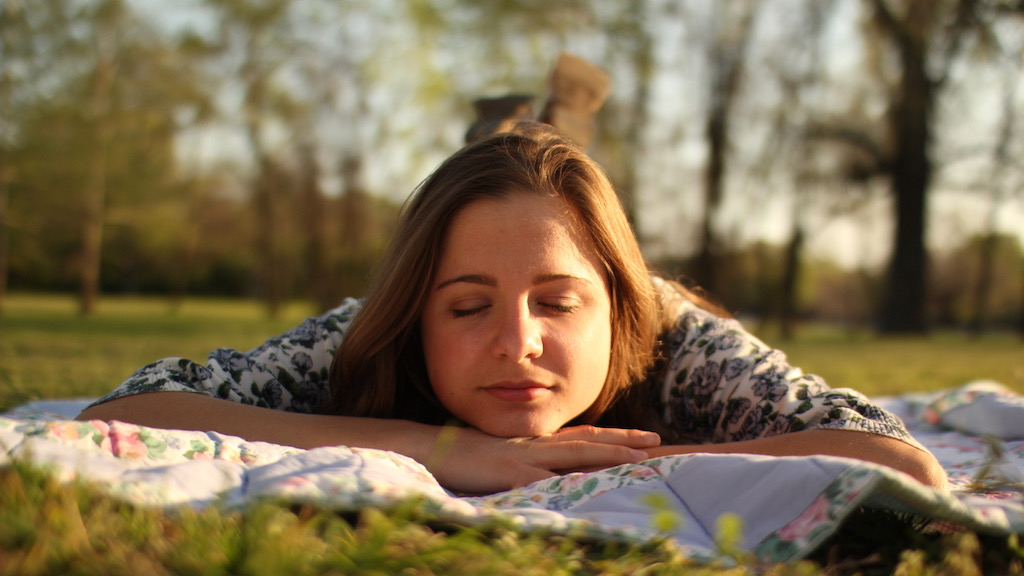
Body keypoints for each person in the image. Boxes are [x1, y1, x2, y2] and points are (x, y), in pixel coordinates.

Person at [78, 122, 949, 495]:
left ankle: (539, 121)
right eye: (467, 308)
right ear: (419, 315)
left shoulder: (671, 332)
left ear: (613, 304)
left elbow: (899, 463)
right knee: (507, 152)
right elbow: (129, 412)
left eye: (558, 302)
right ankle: (513, 121)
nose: (516, 342)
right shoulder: (370, 332)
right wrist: (436, 446)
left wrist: (573, 461)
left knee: (537, 150)